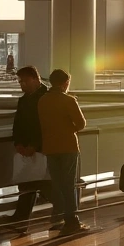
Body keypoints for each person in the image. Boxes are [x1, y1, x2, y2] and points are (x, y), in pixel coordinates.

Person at [37, 69, 89, 236]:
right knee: (69, 183)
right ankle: (72, 220)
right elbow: (81, 124)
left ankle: (57, 217)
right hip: (68, 146)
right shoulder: (69, 100)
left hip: (50, 147)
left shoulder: (42, 100)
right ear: (65, 82)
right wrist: (68, 129)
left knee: (57, 183)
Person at [9, 66, 60, 230]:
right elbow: (17, 123)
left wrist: (35, 145)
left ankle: (65, 211)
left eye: (24, 81)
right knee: (27, 183)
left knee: (43, 184)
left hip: (43, 148)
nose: (21, 85)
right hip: (26, 147)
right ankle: (20, 220)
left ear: (35, 79)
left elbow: (46, 125)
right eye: (19, 81)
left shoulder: (47, 97)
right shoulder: (24, 99)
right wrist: (18, 142)